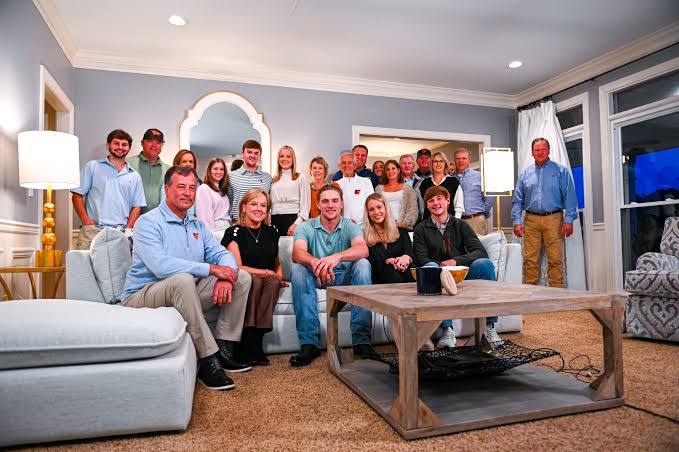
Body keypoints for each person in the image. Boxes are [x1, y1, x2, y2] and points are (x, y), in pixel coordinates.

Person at [121, 166, 253, 391]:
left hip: (185, 293)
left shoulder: (197, 225)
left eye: (192, 188)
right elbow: (161, 267)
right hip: (142, 295)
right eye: (181, 187)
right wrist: (211, 269)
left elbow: (223, 255)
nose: (187, 193)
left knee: (241, 277)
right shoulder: (148, 222)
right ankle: (207, 359)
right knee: (182, 279)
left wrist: (225, 277)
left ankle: (224, 347)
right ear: (167, 189)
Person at [289, 184, 375, 366]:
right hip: (317, 275)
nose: (330, 205)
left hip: (343, 276)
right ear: (318, 205)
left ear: (342, 204)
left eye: (335, 201)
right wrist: (315, 262)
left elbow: (362, 248)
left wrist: (337, 257)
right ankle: (309, 344)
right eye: (325, 201)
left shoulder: (350, 226)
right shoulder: (306, 227)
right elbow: (297, 253)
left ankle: (361, 342)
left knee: (363, 264)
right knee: (297, 268)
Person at [413, 186, 501, 349]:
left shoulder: (461, 225)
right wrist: (441, 266)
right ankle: (447, 330)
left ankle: (489, 328)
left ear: (447, 201)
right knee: (430, 267)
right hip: (438, 278)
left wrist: (456, 260)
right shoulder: (421, 229)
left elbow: (480, 251)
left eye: (439, 198)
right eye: (431, 200)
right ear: (427, 206)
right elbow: (420, 258)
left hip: (462, 274)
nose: (436, 203)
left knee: (484, 263)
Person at [222, 189, 284, 366]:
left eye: (263, 205)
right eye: (254, 204)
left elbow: (276, 260)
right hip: (245, 278)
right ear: (244, 207)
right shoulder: (234, 232)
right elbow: (238, 267)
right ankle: (246, 341)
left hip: (268, 279)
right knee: (254, 280)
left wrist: (279, 276)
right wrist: (266, 273)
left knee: (272, 282)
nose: (259, 209)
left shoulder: (272, 230)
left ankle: (256, 340)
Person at [512, 137, 577, 288]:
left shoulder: (560, 171)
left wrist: (568, 220)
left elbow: (570, 197)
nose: (540, 152)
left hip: (554, 219)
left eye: (543, 149)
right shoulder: (525, 173)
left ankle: (556, 295)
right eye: (537, 150)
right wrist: (516, 221)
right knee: (530, 260)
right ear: (532, 153)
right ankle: (530, 295)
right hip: (531, 220)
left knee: (555, 259)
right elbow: (517, 200)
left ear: (548, 151)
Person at [71, 129, 146, 250]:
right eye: (116, 143)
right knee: (85, 267)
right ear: (108, 145)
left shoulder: (135, 176)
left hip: (120, 233)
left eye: (124, 144)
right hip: (93, 231)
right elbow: (77, 195)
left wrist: (128, 229)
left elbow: (137, 206)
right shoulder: (92, 167)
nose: (120, 147)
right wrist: (86, 221)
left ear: (129, 148)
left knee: (119, 269)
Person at [364, 193, 415, 284]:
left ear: (386, 208)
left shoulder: (401, 231)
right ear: (368, 214)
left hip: (404, 276)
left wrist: (405, 258)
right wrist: (388, 261)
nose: (376, 212)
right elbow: (370, 265)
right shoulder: (364, 236)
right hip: (379, 283)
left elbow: (410, 254)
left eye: (379, 207)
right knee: (390, 270)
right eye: (371, 209)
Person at [270, 145, 310, 236]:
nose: (285, 159)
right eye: (282, 156)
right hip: (274, 220)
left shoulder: (300, 177)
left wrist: (297, 223)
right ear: (278, 159)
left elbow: (305, 206)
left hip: (293, 219)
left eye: (288, 156)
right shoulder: (273, 179)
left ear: (293, 159)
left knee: (292, 249)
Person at [227, 140, 272, 221]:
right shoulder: (232, 176)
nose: (252, 155)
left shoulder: (267, 178)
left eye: (256, 153)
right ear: (243, 153)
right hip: (237, 222)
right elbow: (228, 201)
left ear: (260, 155)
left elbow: (268, 203)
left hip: (261, 224)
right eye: (249, 152)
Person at [128, 128, 170, 214]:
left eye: (158, 142)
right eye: (150, 140)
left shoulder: (168, 170)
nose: (154, 145)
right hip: (129, 220)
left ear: (162, 146)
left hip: (157, 221)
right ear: (142, 143)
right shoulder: (127, 163)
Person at [454, 148, 493, 235]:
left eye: (464, 158)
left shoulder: (480, 176)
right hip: (456, 222)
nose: (460, 161)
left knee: (476, 248)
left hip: (475, 221)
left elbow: (489, 198)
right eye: (458, 158)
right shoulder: (451, 178)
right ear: (454, 160)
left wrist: (481, 214)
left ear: (469, 160)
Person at [416, 152, 464, 222]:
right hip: (429, 223)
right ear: (431, 164)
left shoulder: (453, 182)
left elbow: (459, 207)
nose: (438, 164)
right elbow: (422, 207)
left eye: (441, 161)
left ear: (445, 164)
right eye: (435, 161)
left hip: (449, 224)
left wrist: (455, 224)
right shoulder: (424, 183)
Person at [374, 159, 418, 229]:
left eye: (393, 168)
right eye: (387, 169)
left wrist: (404, 223)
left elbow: (413, 208)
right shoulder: (378, 189)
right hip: (384, 227)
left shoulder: (408, 189)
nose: (390, 171)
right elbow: (375, 208)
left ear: (398, 170)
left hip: (402, 227)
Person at [335, 152, 374, 227]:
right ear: (339, 166)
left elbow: (371, 204)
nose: (346, 165)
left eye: (350, 163)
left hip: (362, 226)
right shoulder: (335, 184)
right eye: (343, 163)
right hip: (340, 226)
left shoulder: (366, 182)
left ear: (355, 165)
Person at [196, 158, 231, 233]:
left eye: (221, 169)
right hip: (215, 230)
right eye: (215, 169)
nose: (219, 172)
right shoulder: (204, 188)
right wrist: (210, 236)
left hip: (227, 228)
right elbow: (204, 218)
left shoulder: (223, 189)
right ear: (209, 170)